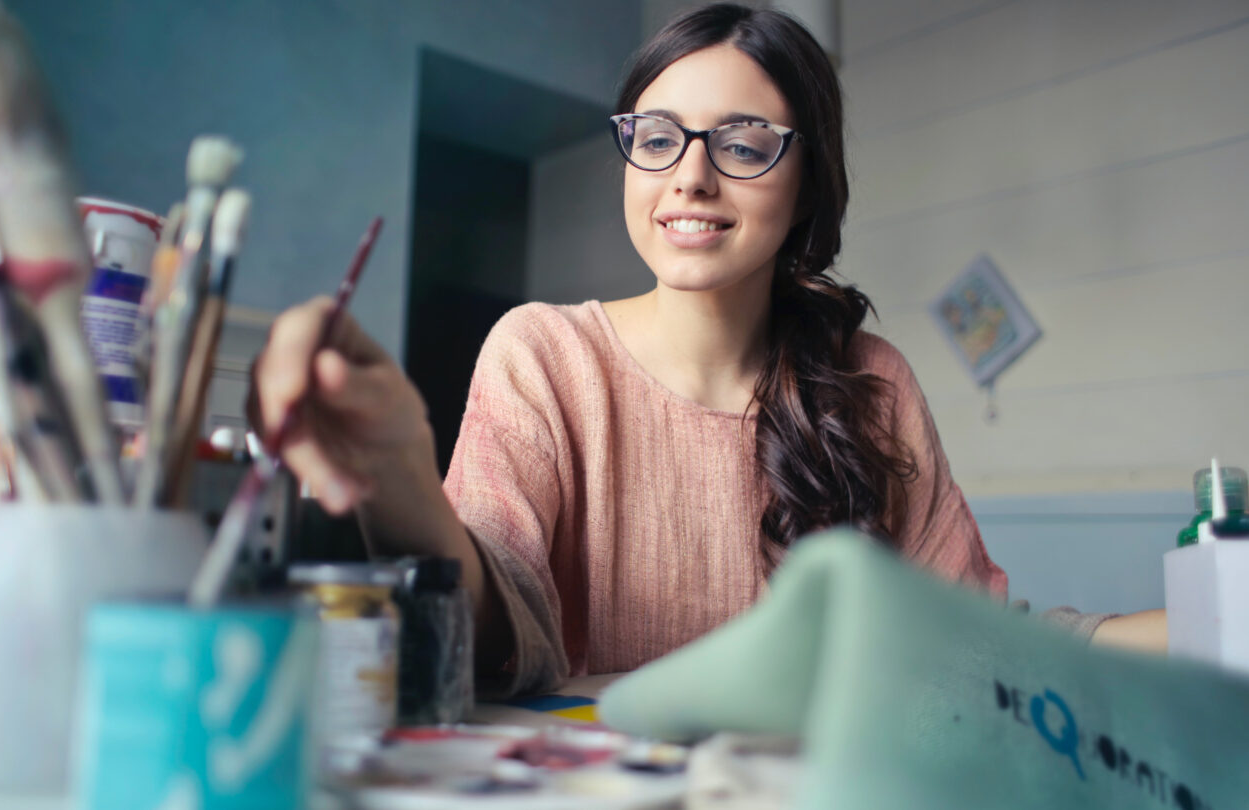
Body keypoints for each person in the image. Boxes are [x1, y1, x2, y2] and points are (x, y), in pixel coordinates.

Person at [251, 4, 1155, 697]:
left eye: (744, 143)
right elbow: (494, 629)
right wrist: (404, 473)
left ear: (808, 188)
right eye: (656, 139)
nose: (690, 175)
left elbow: (970, 640)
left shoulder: (869, 382)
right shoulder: (543, 354)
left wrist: (1215, 612)